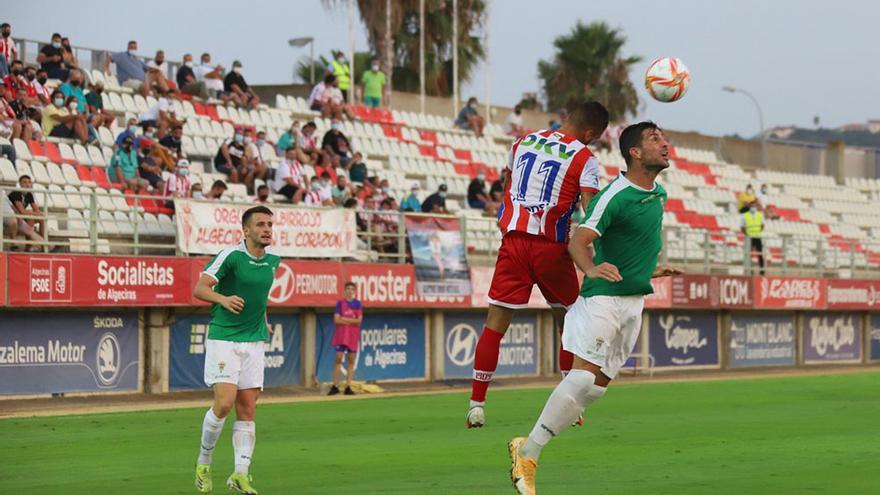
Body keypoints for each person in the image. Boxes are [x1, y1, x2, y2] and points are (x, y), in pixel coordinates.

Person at [508, 121, 684, 494]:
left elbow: (626, 246)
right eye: (655, 139)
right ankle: (530, 456)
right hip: (602, 298)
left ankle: (527, 444)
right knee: (583, 377)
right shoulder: (614, 195)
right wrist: (590, 268)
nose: (665, 144)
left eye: (663, 138)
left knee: (597, 389)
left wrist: (651, 268)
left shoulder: (659, 194)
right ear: (634, 153)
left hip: (634, 301)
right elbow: (579, 241)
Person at [466, 101, 610, 430]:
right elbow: (591, 209)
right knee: (570, 323)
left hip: (514, 241)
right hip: (551, 247)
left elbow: (511, 185)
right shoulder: (584, 157)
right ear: (589, 134)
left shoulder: (522, 141)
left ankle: (476, 405)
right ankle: (570, 406)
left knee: (495, 324)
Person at [192, 205, 280, 495]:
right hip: (225, 338)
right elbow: (200, 288)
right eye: (260, 224)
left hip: (254, 342)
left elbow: (260, 299)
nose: (267, 229)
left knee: (248, 408)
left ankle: (240, 475)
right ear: (246, 230)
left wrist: (263, 323)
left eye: (269, 224)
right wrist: (223, 299)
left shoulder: (272, 262)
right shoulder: (230, 255)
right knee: (225, 403)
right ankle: (204, 463)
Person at [329, 281, 364, 396]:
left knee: (351, 360)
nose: (350, 291)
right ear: (344, 291)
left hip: (352, 335)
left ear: (354, 291)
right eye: (347, 289)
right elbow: (336, 320)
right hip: (341, 334)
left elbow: (358, 321)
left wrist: (344, 319)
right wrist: (350, 320)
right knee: (338, 358)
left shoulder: (358, 304)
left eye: (352, 289)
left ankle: (348, 386)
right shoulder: (340, 303)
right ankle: (335, 385)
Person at [8, 175, 46, 250]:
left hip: (22, 216)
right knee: (30, 218)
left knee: (42, 219)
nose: (27, 184)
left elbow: (36, 210)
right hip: (13, 216)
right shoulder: (16, 193)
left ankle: (43, 245)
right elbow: (22, 211)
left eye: (29, 182)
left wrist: (40, 214)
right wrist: (36, 213)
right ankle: (28, 247)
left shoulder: (29, 194)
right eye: (24, 182)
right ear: (20, 184)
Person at [742, 204, 765, 275]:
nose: (753, 208)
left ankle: (762, 270)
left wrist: (757, 232)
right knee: (749, 254)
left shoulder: (760, 215)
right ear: (749, 207)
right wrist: (747, 234)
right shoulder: (745, 215)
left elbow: (763, 225)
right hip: (749, 238)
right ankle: (750, 269)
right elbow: (742, 227)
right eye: (752, 206)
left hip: (758, 237)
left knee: (760, 254)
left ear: (756, 207)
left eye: (754, 206)